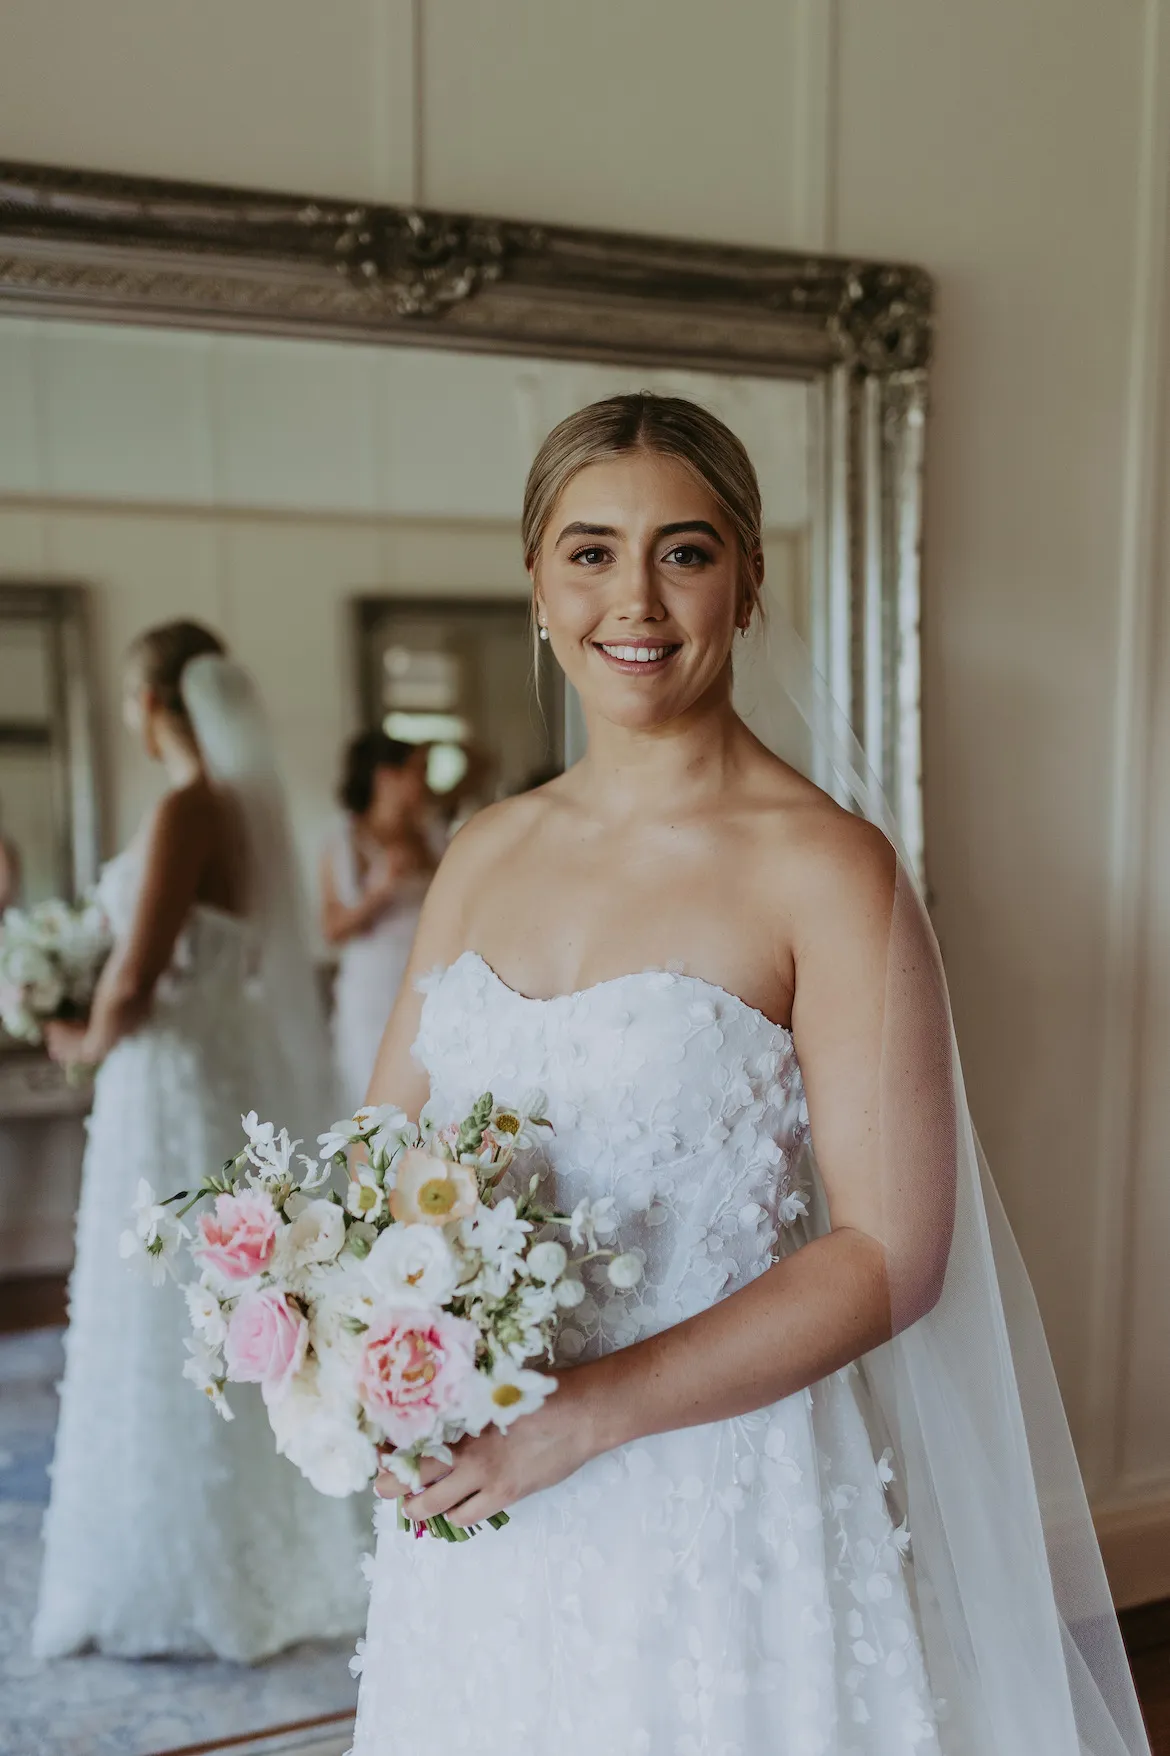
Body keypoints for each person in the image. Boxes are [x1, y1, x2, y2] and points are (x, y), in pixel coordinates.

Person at [348, 394, 1149, 1755]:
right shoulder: (481, 851)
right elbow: (379, 1157)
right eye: (590, 551)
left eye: (684, 550)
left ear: (747, 579)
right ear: (535, 581)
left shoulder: (826, 868)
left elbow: (891, 1253)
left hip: (710, 1505)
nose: (635, 599)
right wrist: (361, 1350)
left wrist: (579, 1420)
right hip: (481, 1494)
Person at [34, 620, 367, 1662]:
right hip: (206, 1075)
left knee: (165, 1312)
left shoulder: (188, 807)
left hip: (166, 1081)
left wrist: (76, 1034)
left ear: (151, 706)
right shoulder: (237, 808)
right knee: (209, 1309)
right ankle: (241, 1548)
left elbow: (135, 979)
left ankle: (193, 1571)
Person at [321, 731, 434, 1115]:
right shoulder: (344, 839)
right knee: (372, 1100)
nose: (426, 782)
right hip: (372, 990)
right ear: (386, 777)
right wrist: (379, 892)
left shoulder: (432, 835)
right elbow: (332, 929)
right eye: (418, 771)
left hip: (428, 980)